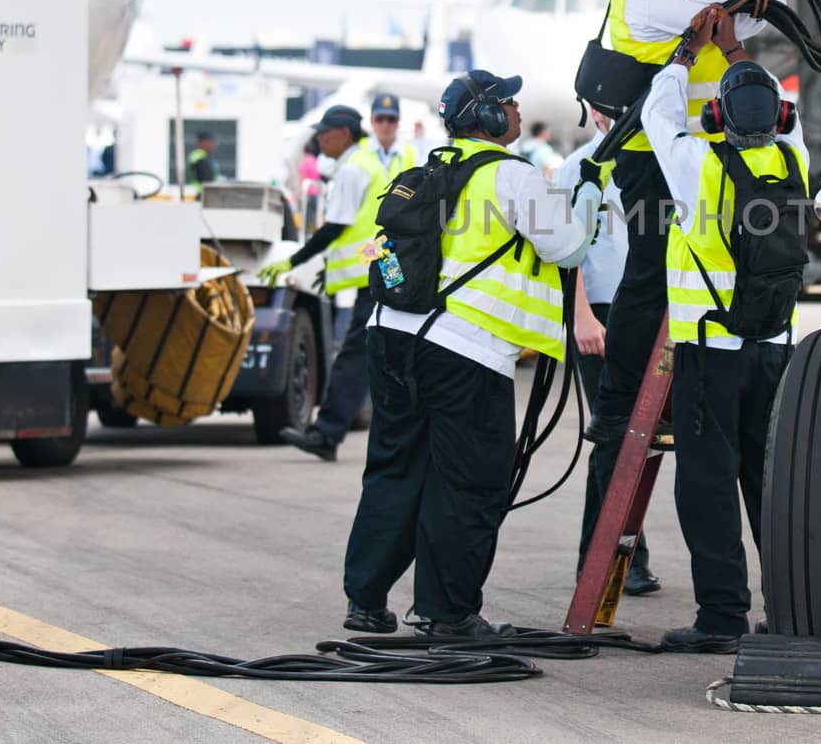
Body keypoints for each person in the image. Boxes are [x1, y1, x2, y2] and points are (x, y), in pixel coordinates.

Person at [581, 0, 793, 591]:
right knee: (650, 275)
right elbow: (729, 13)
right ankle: (623, 393)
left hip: (685, 155)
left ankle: (632, 390)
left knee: (669, 270)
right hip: (657, 157)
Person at [341, 70, 604, 637]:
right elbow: (567, 246)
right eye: (506, 103)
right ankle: (447, 612)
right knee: (469, 483)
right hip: (463, 350)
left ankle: (365, 598)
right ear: (485, 117)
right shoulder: (512, 176)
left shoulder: (422, 170)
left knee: (394, 469)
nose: (514, 110)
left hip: (389, 336)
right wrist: (585, 199)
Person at [640, 30, 809, 653]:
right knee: (771, 482)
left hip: (709, 350)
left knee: (707, 483)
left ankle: (721, 616)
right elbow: (780, 120)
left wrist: (688, 54)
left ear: (716, 117)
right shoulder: (795, 159)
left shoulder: (698, 164)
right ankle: (792, 609)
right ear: (783, 117)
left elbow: (658, 112)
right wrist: (738, 51)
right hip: (775, 347)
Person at [552, 113, 659, 595]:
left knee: (640, 439)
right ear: (596, 114)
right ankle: (602, 560)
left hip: (647, 312)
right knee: (614, 437)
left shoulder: (652, 161)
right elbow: (561, 254)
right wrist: (581, 318)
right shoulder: (578, 167)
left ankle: (624, 552)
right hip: (599, 312)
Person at [257, 104, 383, 461]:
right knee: (372, 359)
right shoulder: (365, 164)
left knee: (354, 358)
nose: (318, 139)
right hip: (378, 274)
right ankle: (329, 433)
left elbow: (335, 227)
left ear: (343, 133)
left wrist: (292, 259)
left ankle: (326, 433)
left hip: (373, 276)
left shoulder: (353, 170)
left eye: (323, 133)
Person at [363, 92, 417, 175]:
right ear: (371, 119)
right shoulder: (358, 149)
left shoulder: (411, 153)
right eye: (380, 119)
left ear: (398, 121)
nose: (385, 125)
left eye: (391, 119)